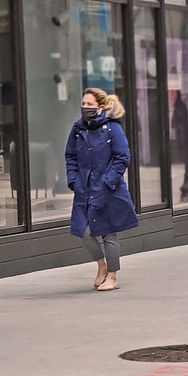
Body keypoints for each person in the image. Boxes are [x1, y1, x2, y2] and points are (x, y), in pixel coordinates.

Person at [64, 88, 138, 292]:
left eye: (89, 104)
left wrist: (108, 182)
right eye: (83, 103)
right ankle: (102, 266)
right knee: (83, 231)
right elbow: (70, 155)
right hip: (84, 189)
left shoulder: (112, 128)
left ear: (100, 106)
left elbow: (122, 157)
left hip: (107, 189)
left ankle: (112, 277)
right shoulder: (78, 129)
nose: (85, 107)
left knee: (108, 234)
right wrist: (73, 180)